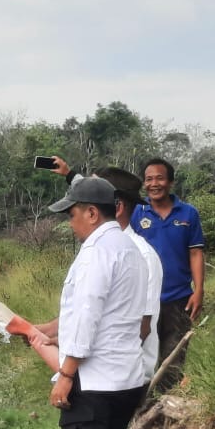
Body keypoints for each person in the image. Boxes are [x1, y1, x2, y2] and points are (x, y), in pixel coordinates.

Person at [39, 176, 148, 429]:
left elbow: (86, 316)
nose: (70, 223)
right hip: (125, 379)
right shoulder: (129, 249)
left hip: (95, 380)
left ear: (91, 212)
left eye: (72, 214)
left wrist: (66, 374)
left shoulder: (96, 253)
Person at [38, 159, 163, 384]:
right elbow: (94, 308)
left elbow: (140, 329)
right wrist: (47, 331)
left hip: (118, 378)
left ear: (116, 206)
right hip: (98, 375)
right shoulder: (103, 246)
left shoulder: (138, 254)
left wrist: (70, 362)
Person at [131, 158, 205, 391]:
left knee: (173, 358)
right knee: (140, 356)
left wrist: (199, 291)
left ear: (171, 182)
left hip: (179, 298)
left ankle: (164, 407)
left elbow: (195, 253)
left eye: (160, 178)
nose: (155, 184)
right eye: (149, 179)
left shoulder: (188, 213)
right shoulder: (136, 212)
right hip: (144, 301)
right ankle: (138, 409)